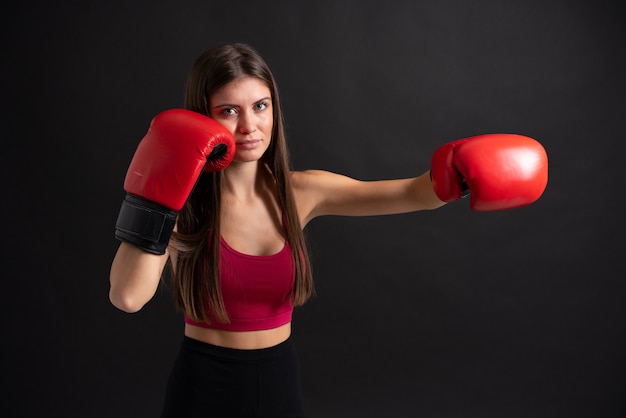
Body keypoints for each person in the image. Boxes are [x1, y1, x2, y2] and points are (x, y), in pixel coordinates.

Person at [109, 43, 548, 417]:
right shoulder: (181, 207)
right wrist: (156, 199)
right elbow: (127, 297)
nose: (249, 127)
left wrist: (460, 170)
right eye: (229, 111)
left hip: (279, 380)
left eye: (261, 106)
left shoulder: (303, 191)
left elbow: (414, 194)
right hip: (204, 385)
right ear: (203, 118)